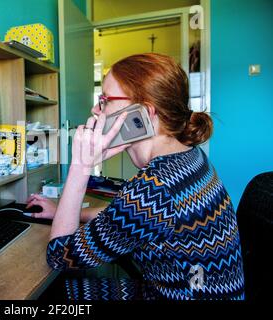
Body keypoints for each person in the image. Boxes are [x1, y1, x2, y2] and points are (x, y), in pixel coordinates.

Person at [26, 53, 245, 300]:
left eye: (105, 100)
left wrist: (80, 166)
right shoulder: (190, 157)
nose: (95, 109)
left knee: (54, 294)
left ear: (142, 113)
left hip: (175, 296)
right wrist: (62, 212)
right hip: (183, 290)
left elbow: (59, 256)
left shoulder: (154, 189)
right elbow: (122, 218)